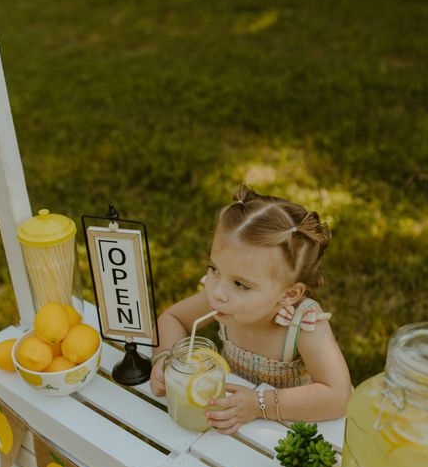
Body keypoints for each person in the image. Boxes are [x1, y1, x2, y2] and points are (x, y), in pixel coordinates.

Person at [150, 185, 352, 434]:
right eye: (214, 269)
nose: (217, 292)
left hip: (287, 429)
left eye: (240, 284)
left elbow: (337, 397)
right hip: (229, 419)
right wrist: (165, 358)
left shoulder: (304, 324)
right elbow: (173, 318)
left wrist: (259, 405)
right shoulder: (222, 301)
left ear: (289, 295)